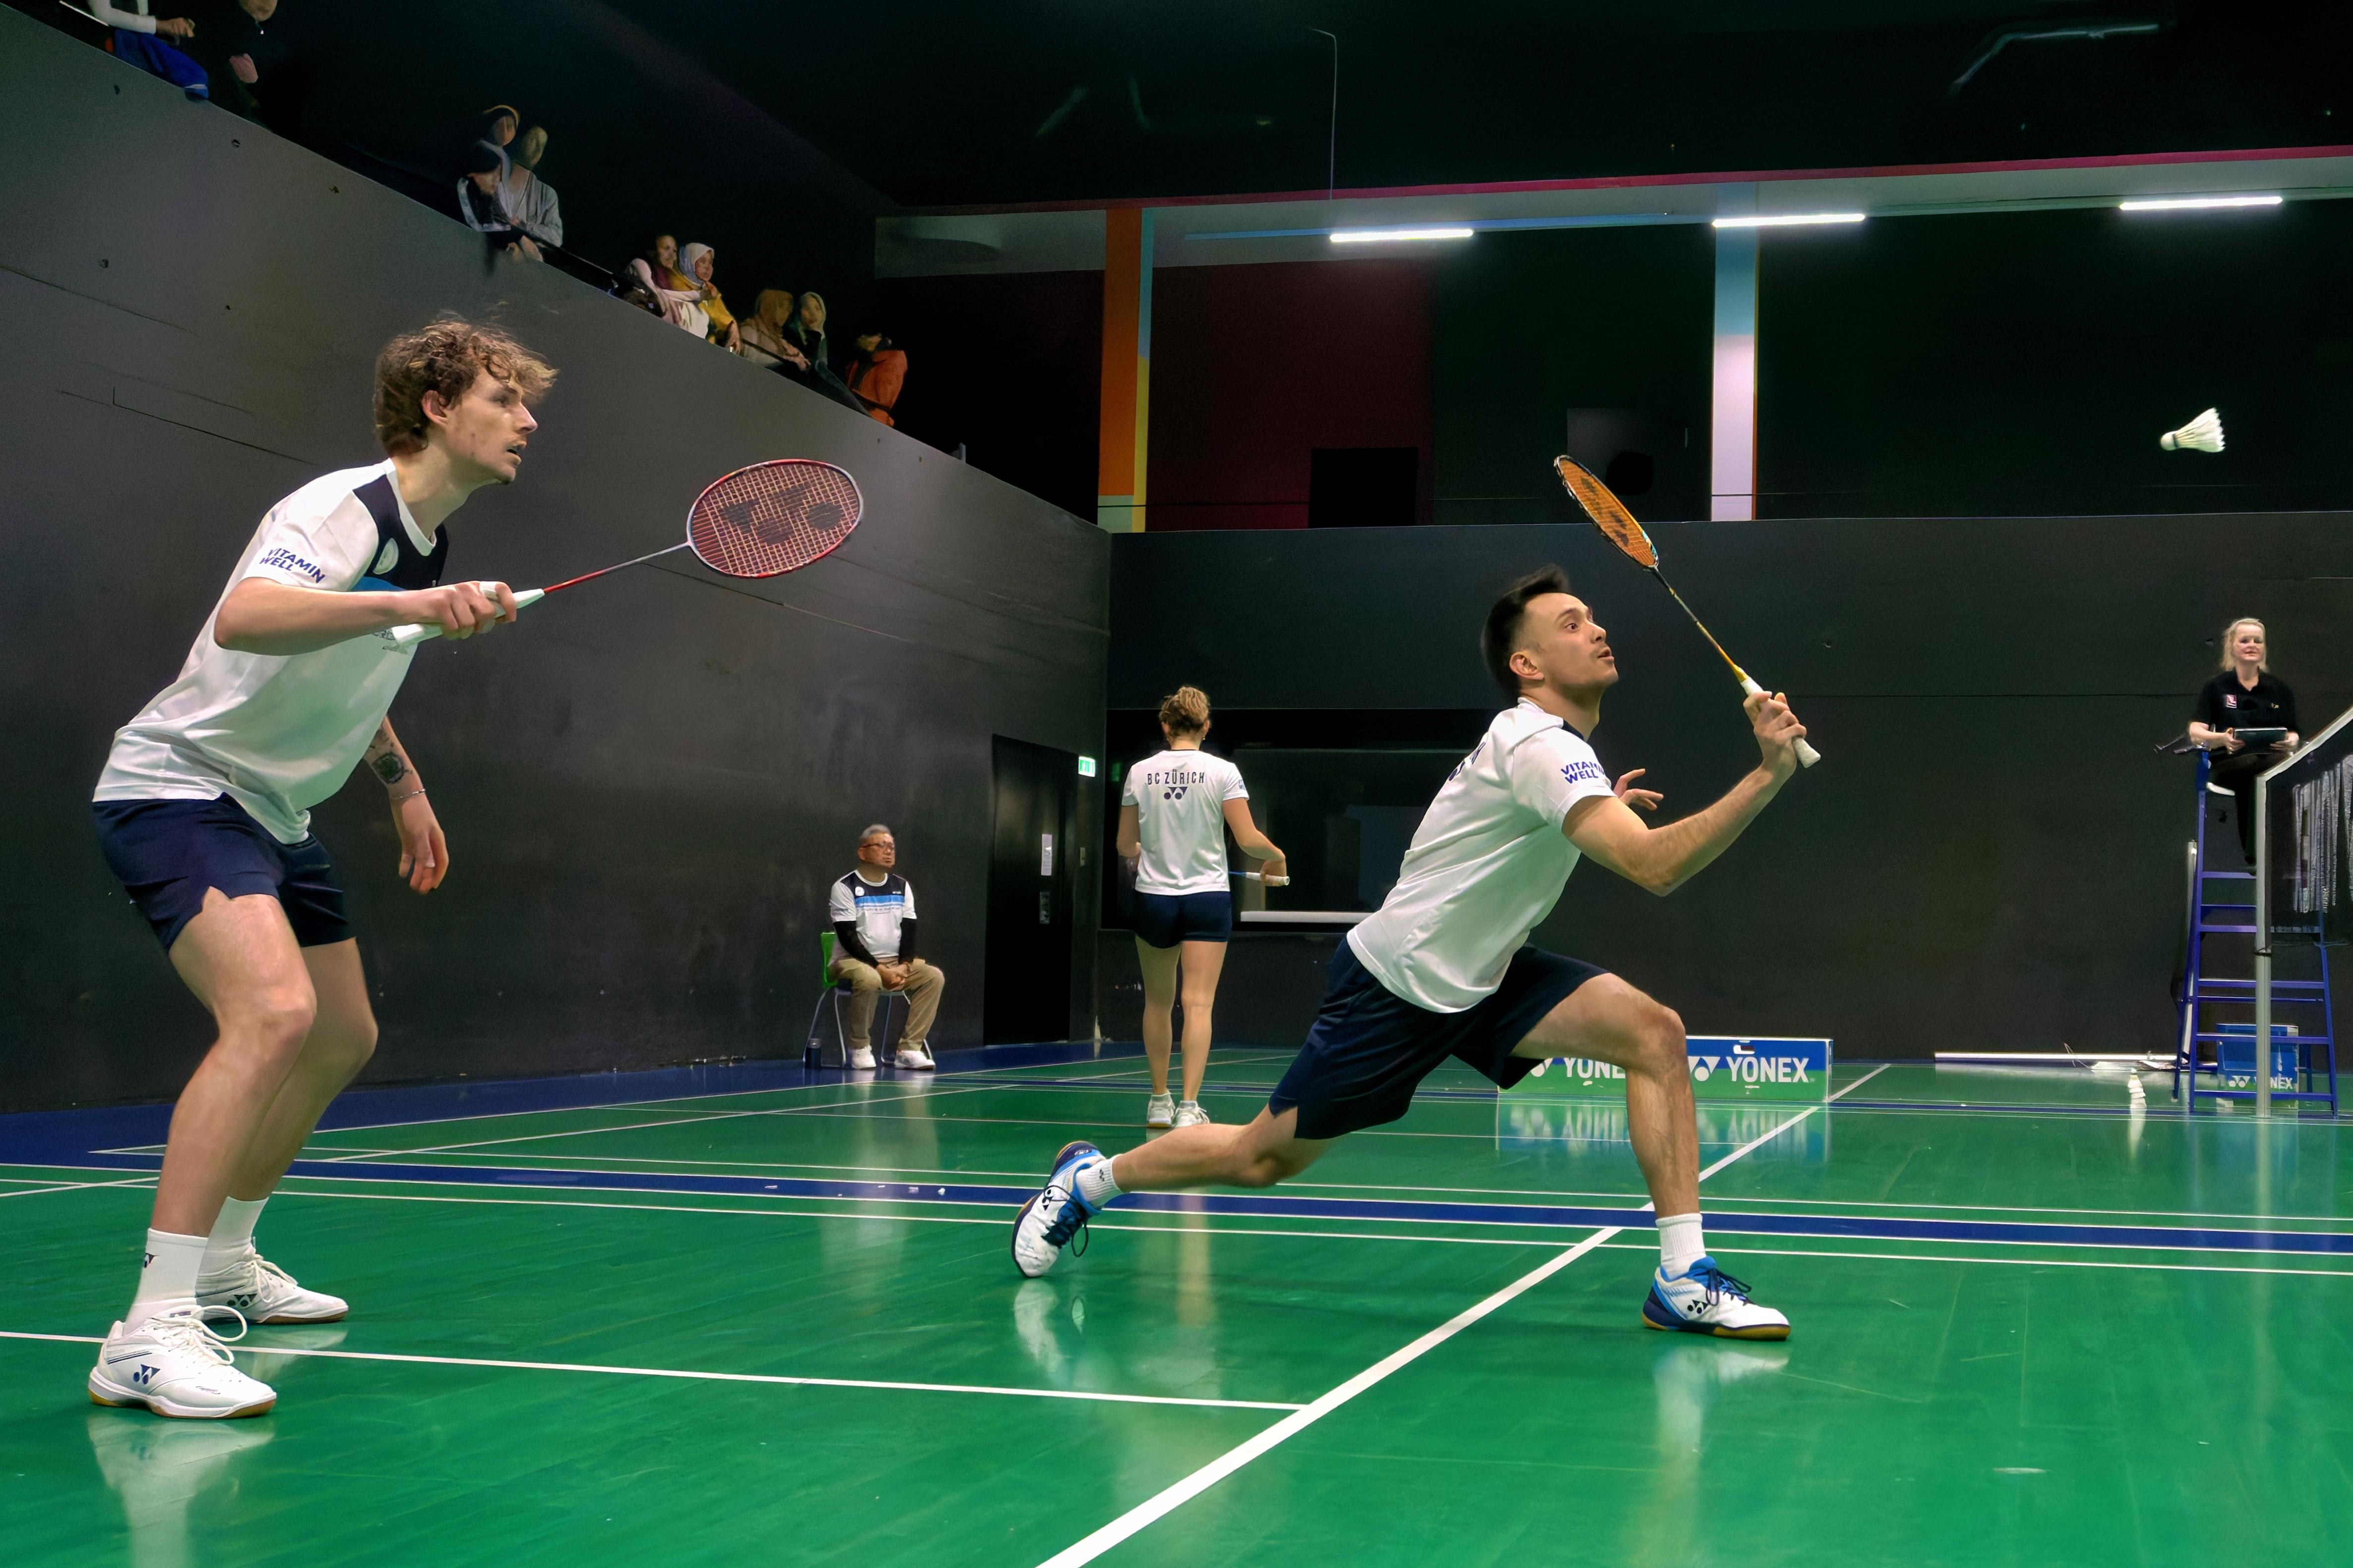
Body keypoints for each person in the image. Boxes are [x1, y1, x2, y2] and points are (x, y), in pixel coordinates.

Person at [1011, 566, 1807, 1340]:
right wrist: (1766, 773)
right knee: (1258, 1159)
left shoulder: (1556, 752)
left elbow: (1560, 830)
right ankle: (1089, 1180)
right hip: (1399, 984)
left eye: (1591, 617)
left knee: (1653, 1034)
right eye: (1570, 623)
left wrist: (1602, 808)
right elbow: (1652, 866)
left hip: (1485, 972)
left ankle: (1680, 1277)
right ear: (1523, 665)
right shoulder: (1538, 744)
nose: (1595, 629)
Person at [86, 319, 552, 1418]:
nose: (527, 420)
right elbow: (249, 617)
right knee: (272, 1015)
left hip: (276, 809)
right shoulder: (343, 509)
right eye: (504, 398)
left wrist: (402, 783)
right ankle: (148, 1332)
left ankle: (229, 1260)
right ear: (436, 406)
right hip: (180, 787)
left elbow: (354, 662)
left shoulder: (426, 540)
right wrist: (410, 606)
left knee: (342, 1032)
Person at [1119, 686, 1285, 1129]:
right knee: (1197, 1005)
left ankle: (1158, 1100)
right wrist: (1277, 856)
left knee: (1158, 1003)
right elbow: (1248, 839)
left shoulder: (1138, 773)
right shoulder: (1223, 772)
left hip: (1154, 899)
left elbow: (1123, 845)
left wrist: (1145, 849)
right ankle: (1189, 1110)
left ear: (1166, 726)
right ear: (1206, 726)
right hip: (1207, 899)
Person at [827, 826, 946, 1071]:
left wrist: (903, 965)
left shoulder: (902, 887)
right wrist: (881, 969)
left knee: (933, 977)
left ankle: (909, 1050)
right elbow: (848, 937)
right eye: (881, 846)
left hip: (894, 962)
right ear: (863, 852)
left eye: (891, 846)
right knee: (869, 977)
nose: (888, 851)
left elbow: (909, 931)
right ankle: (859, 1047)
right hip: (851, 961)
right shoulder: (845, 887)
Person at [2189, 616, 2300, 863]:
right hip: (2230, 762)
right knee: (2260, 771)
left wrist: (2291, 742)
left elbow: (2293, 733)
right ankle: (2263, 854)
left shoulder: (2279, 689)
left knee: (2273, 770)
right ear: (2232, 647)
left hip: (2271, 759)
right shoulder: (2216, 687)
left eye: (2257, 641)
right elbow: (2196, 731)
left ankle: (2266, 855)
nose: (2252, 645)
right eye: (2245, 641)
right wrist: (2221, 738)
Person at [85, 2, 210, 96]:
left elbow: (146, 16)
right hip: (113, 38)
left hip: (143, 40)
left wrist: (180, 25)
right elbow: (103, 15)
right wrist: (160, 26)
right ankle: (193, 79)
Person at [781, 292, 866, 411]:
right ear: (799, 311)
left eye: (817, 308)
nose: (813, 313)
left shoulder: (829, 343)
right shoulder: (790, 337)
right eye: (807, 308)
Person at [456, 144, 542, 261]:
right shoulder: (463, 187)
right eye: (493, 173)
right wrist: (516, 235)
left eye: (499, 175)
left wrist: (508, 241)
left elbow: (489, 224)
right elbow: (476, 226)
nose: (497, 181)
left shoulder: (485, 197)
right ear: (475, 173)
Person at [500, 124, 564, 250]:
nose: (531, 148)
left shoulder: (547, 194)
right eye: (529, 140)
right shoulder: (493, 173)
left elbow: (556, 237)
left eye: (538, 144)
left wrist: (525, 227)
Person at [637, 236, 708, 338]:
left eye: (675, 251)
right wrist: (697, 296)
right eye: (666, 249)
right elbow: (655, 293)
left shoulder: (677, 281)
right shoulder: (641, 265)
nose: (672, 256)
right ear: (653, 250)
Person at [680, 243, 740, 352]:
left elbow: (724, 320)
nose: (708, 268)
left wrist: (732, 327)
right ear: (689, 262)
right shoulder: (675, 286)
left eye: (711, 263)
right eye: (703, 262)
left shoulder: (711, 294)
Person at [737, 289, 810, 373]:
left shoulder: (780, 340)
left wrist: (801, 361)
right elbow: (751, 357)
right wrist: (787, 363)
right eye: (782, 307)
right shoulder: (749, 330)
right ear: (769, 306)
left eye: (787, 310)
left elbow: (798, 358)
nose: (785, 314)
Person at [843, 332, 907, 426]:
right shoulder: (861, 360)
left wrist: (850, 394)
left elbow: (883, 399)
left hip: (873, 419)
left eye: (866, 335)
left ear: (879, 338)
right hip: (851, 413)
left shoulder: (894, 360)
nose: (861, 339)